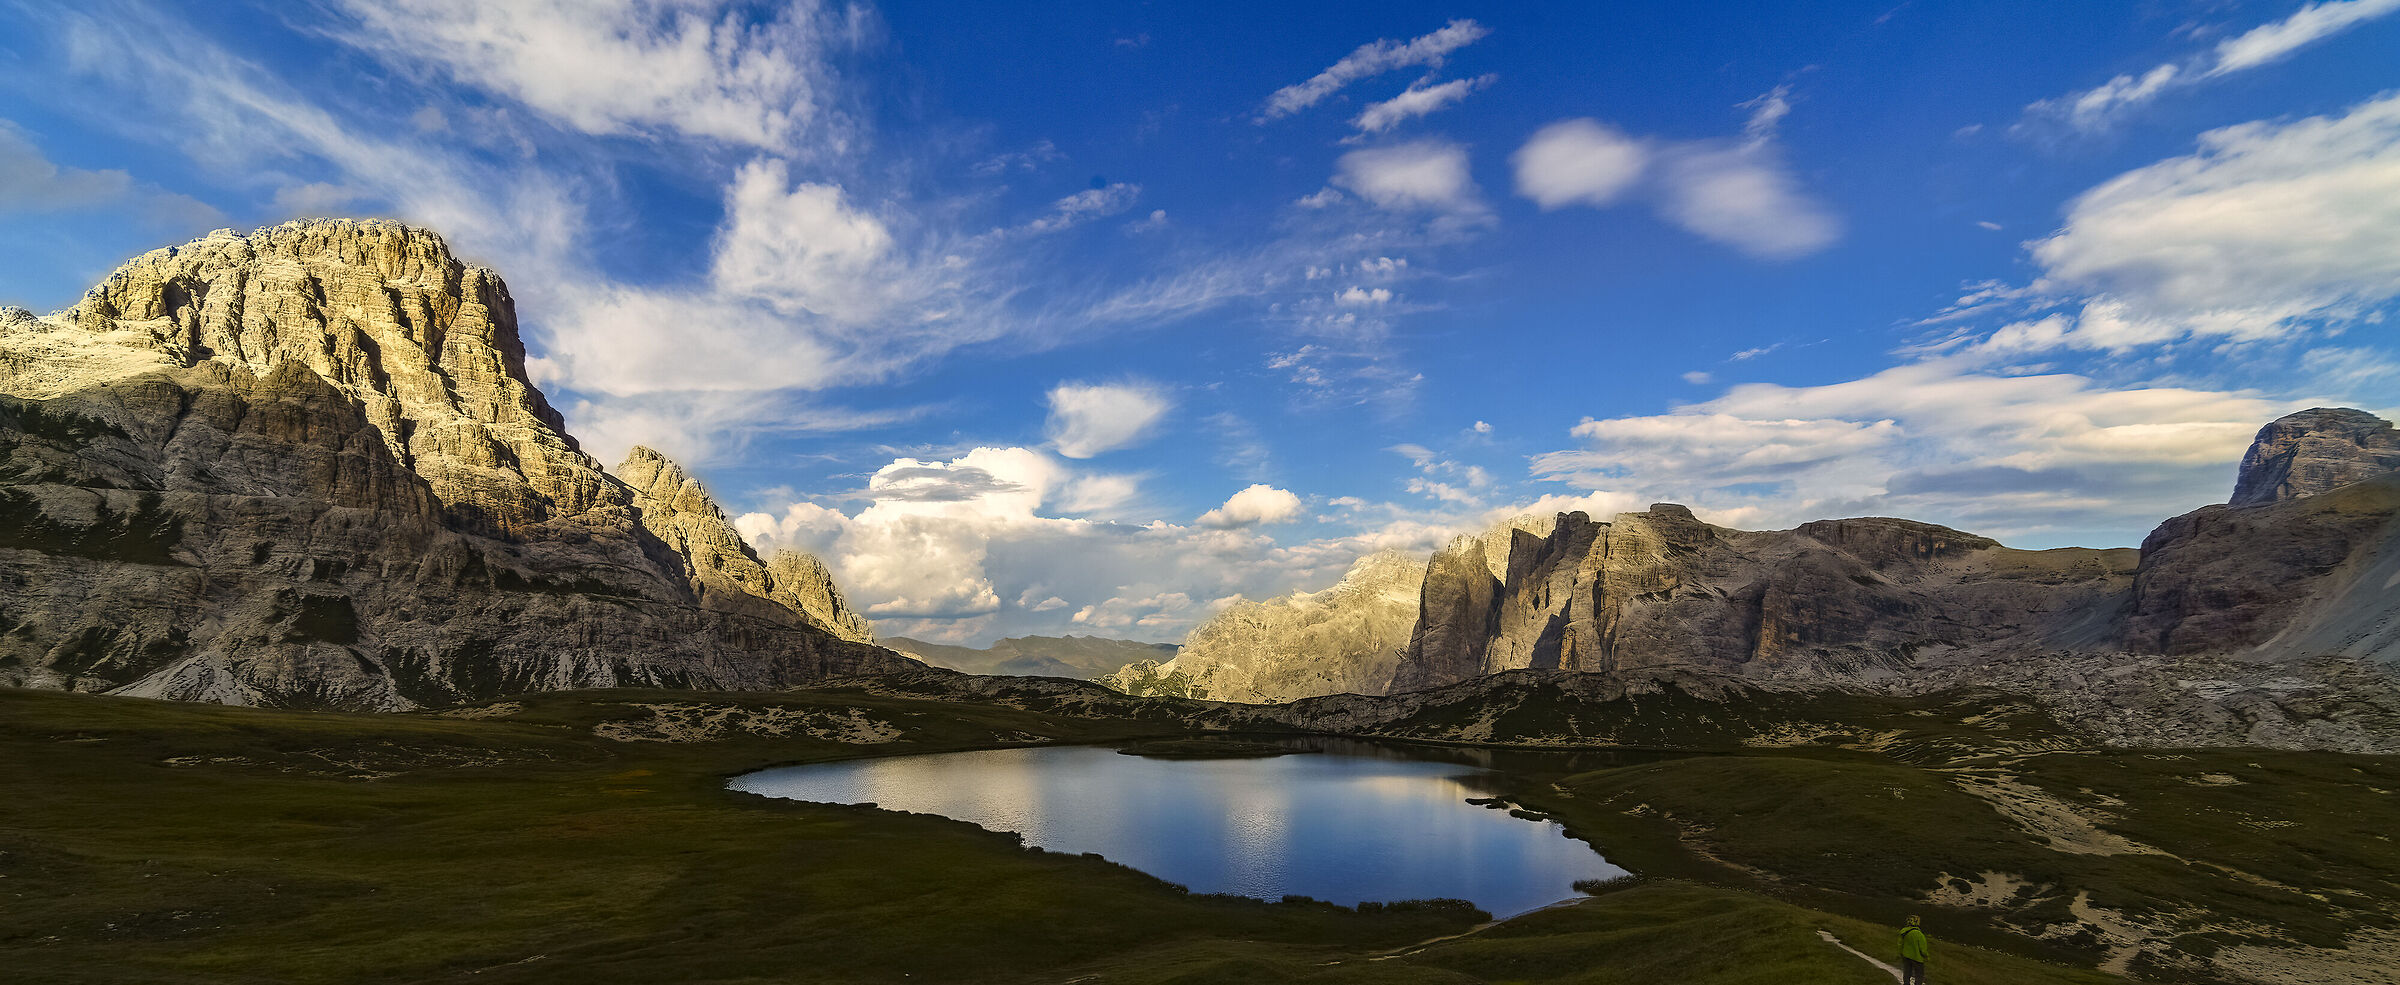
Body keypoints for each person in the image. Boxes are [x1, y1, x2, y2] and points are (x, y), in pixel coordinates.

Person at [1898, 915, 1931, 984]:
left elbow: (1900, 944)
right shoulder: (1919, 934)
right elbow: (1923, 949)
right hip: (1917, 958)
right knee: (1919, 975)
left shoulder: (1903, 932)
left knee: (1907, 972)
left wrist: (1901, 953)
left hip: (1906, 956)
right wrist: (1926, 956)